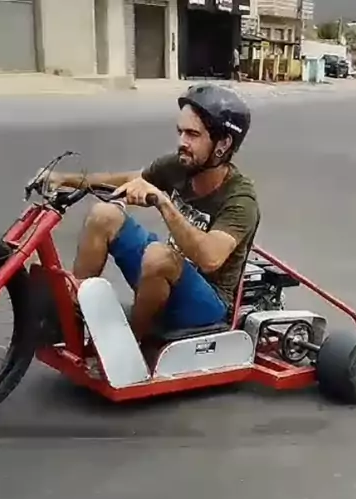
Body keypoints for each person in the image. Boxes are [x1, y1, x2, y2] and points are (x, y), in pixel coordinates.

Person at [48, 83, 259, 340]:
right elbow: (126, 180)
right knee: (104, 215)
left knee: (159, 256)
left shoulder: (240, 198)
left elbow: (210, 258)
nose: (182, 142)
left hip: (207, 304)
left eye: (193, 135)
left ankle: (134, 342)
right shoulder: (179, 166)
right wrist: (65, 179)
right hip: (167, 276)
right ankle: (70, 318)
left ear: (223, 143)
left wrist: (163, 202)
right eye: (181, 132)